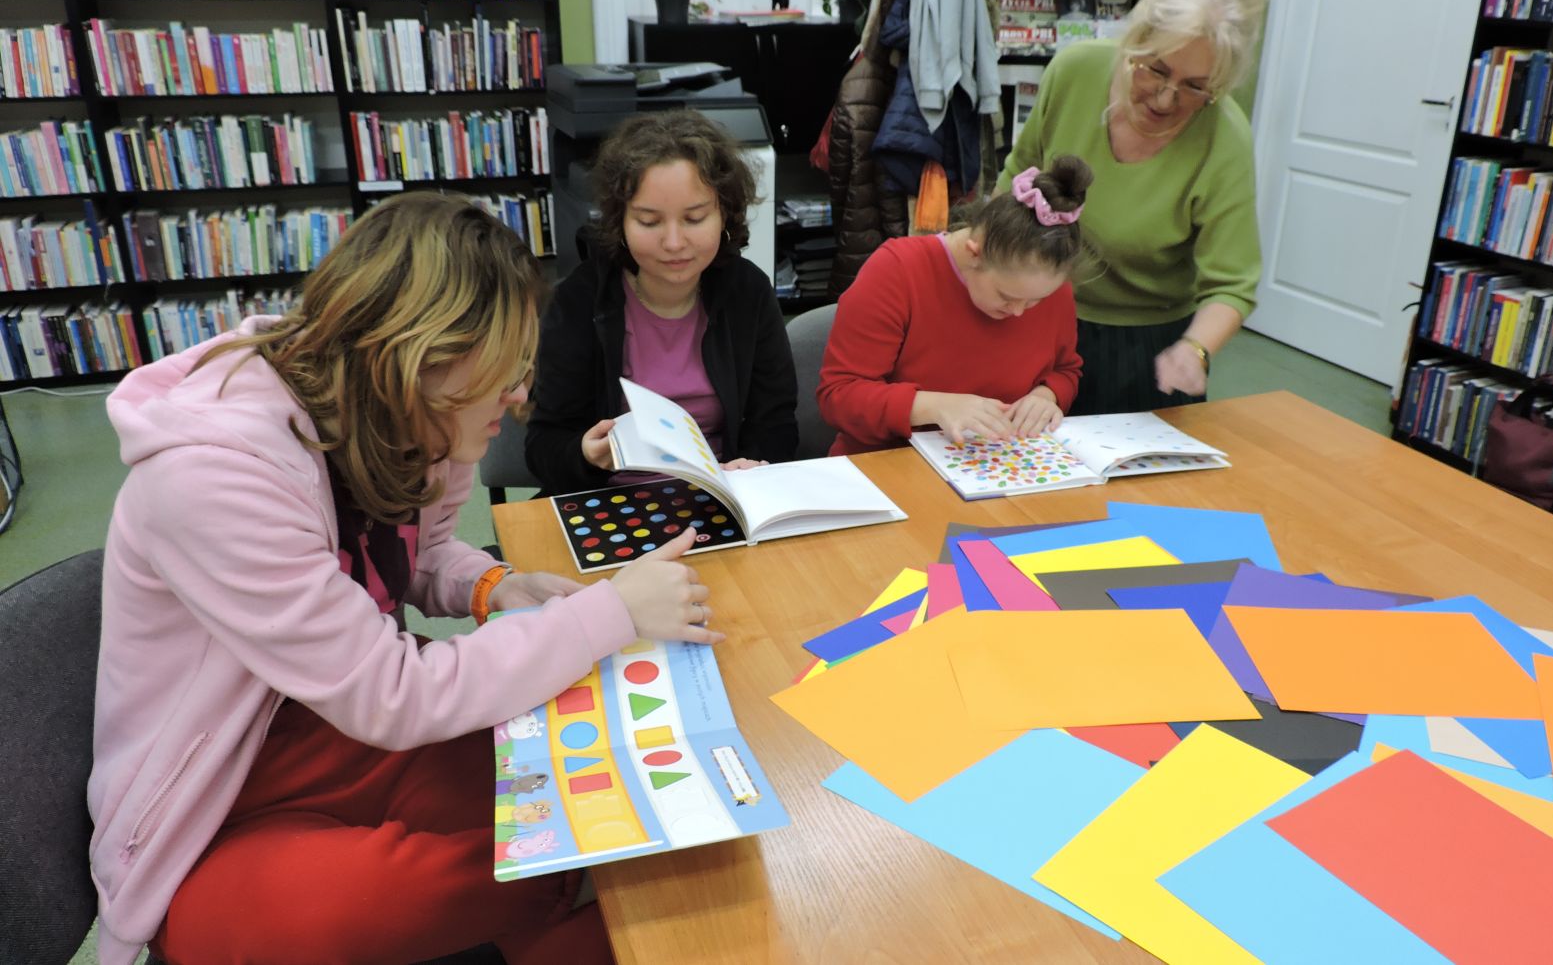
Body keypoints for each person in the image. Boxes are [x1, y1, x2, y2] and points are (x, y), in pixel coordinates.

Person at [91, 191, 722, 965]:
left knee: (556, 783)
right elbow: (391, 694)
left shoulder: (403, 414)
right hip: (212, 804)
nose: (519, 395)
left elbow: (411, 554)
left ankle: (583, 887)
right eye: (503, 370)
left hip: (330, 727)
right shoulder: (211, 478)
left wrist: (493, 586)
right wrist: (608, 612)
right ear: (418, 361)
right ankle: (586, 882)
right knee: (348, 903)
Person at [998, 0, 1275, 414]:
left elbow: (1232, 283)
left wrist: (1194, 350)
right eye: (1155, 70)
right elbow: (1014, 183)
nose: (1166, 99)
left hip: (1147, 350)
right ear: (1133, 40)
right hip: (1032, 314)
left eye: (1196, 87)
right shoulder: (1074, 73)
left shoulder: (1224, 137)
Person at [527, 110, 798, 495]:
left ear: (724, 215)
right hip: (608, 499)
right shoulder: (579, 301)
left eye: (695, 218)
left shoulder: (748, 292)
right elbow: (543, 446)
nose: (673, 243)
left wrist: (752, 466)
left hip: (722, 495)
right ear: (620, 222)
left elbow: (776, 423)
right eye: (649, 222)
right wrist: (584, 455)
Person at [817, 154, 1092, 455]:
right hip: (888, 462)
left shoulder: (1051, 287)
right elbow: (839, 395)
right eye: (1006, 296)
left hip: (996, 463)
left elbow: (1065, 370)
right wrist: (933, 406)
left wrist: (1046, 396)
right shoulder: (897, 272)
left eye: (1035, 301)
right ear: (974, 253)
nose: (1018, 311)